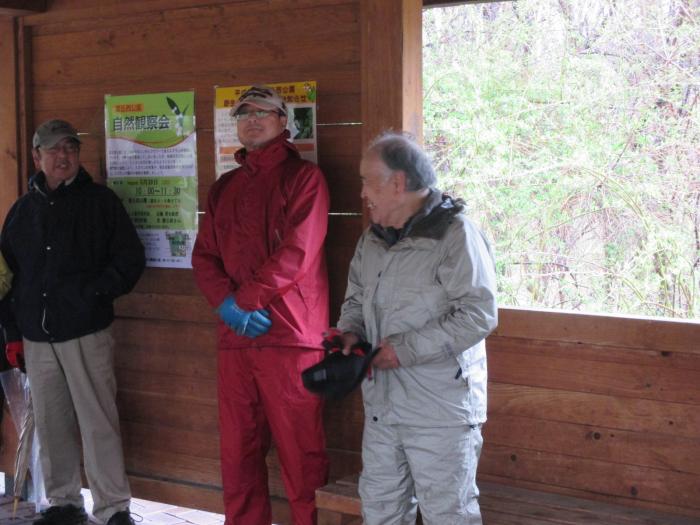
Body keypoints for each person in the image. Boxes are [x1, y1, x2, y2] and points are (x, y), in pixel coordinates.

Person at [334, 132, 498, 525]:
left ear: (398, 183)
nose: (362, 193)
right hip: (382, 407)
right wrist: (350, 332)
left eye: (367, 181)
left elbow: (478, 313)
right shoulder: (372, 241)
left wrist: (402, 350)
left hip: (440, 411)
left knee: (448, 515)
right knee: (381, 510)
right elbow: (355, 300)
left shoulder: (456, 235)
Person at [191, 85, 330, 525]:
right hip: (236, 339)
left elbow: (298, 252)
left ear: (283, 122)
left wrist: (244, 301)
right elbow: (204, 256)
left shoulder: (304, 178)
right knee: (238, 458)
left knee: (302, 458)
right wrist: (227, 306)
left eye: (262, 112)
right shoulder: (224, 187)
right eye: (244, 113)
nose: (252, 119)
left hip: (289, 337)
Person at [0, 119, 146, 525]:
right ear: (36, 157)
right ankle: (63, 501)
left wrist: (94, 294)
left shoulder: (101, 202)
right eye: (54, 150)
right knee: (51, 423)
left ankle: (113, 508)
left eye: (70, 148)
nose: (63, 157)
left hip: (86, 333)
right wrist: (13, 333)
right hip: (36, 338)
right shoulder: (21, 211)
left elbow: (130, 260)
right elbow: (5, 277)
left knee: (99, 421)